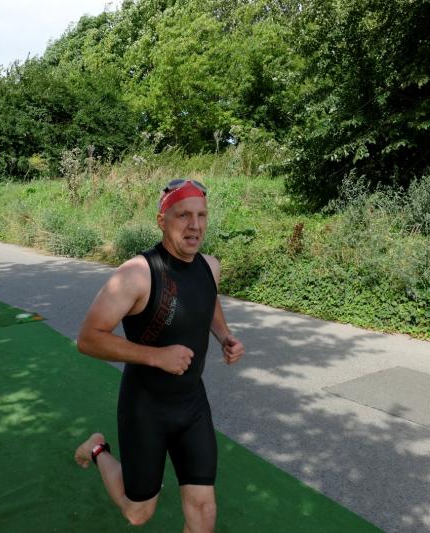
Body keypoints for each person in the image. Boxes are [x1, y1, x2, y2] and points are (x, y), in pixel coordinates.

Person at [74, 179, 245, 532]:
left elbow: (207, 298)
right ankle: (97, 448)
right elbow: (88, 339)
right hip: (146, 406)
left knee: (204, 511)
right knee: (138, 513)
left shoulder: (210, 266)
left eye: (201, 215)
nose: (195, 225)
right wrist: (157, 356)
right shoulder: (136, 274)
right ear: (161, 221)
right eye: (183, 215)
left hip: (192, 403)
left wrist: (224, 334)